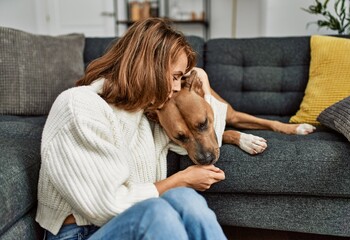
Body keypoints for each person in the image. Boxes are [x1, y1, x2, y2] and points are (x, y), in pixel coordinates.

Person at [36, 18, 228, 240]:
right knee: (157, 212)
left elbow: (207, 141)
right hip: (78, 234)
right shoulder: (78, 106)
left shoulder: (147, 114)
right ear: (149, 67)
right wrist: (180, 180)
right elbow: (107, 205)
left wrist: (202, 82)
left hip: (129, 224)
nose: (177, 87)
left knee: (187, 199)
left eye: (181, 78)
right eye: (175, 77)